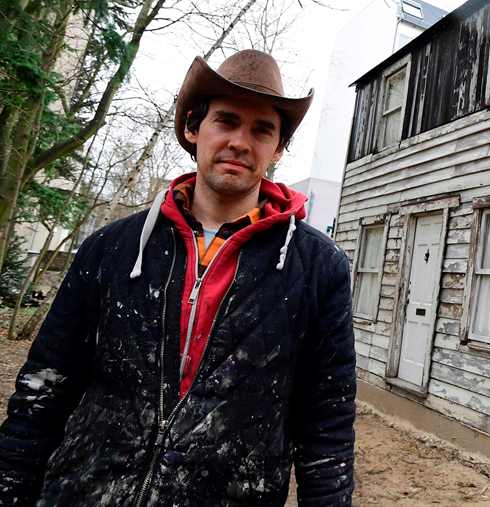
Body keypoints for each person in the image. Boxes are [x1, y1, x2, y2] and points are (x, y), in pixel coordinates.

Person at [0, 50, 356, 505]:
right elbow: (44, 389)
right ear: (193, 128)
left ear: (278, 148)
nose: (240, 142)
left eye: (261, 129)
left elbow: (326, 421)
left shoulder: (318, 266)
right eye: (226, 121)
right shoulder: (111, 248)